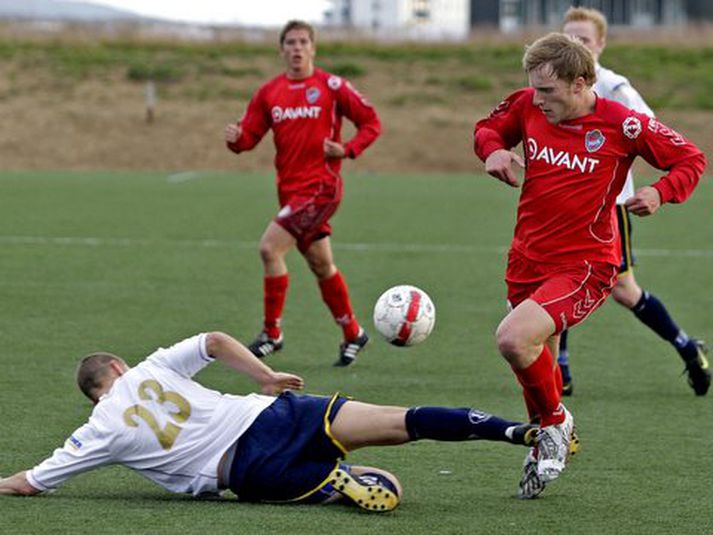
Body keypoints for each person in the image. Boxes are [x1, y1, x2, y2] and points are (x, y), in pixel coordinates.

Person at [473, 32, 705, 499]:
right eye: (534, 89)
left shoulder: (624, 124)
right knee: (538, 354)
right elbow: (488, 128)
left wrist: (660, 192)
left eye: (548, 91)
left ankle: (555, 425)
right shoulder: (528, 105)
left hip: (586, 263)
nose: (538, 100)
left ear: (580, 83)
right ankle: (548, 429)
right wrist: (493, 149)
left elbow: (690, 159)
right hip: (527, 256)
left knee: (513, 338)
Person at [0, 331, 537, 511]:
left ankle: (339, 482)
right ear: (118, 368)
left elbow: (29, 483)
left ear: (96, 397)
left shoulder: (98, 431)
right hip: (274, 416)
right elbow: (213, 341)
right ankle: (516, 430)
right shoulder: (150, 366)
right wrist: (264, 374)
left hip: (247, 472)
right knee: (404, 421)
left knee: (383, 486)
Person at [557, 6, 710, 397]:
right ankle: (560, 368)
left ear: (601, 45)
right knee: (554, 278)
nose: (575, 45)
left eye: (584, 40)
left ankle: (686, 347)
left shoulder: (613, 87)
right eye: (569, 37)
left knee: (624, 290)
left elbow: (650, 130)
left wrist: (657, 190)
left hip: (608, 209)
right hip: (562, 206)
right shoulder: (552, 87)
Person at [224, 20, 381, 367]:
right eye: (290, 42)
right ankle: (353, 332)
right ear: (281, 50)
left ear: (313, 48)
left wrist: (347, 149)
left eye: (303, 42)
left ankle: (271, 332)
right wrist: (235, 139)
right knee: (321, 265)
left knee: (269, 248)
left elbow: (371, 122)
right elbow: (249, 138)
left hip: (321, 188)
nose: (296, 48)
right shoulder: (269, 93)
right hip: (290, 192)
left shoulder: (332, 86)